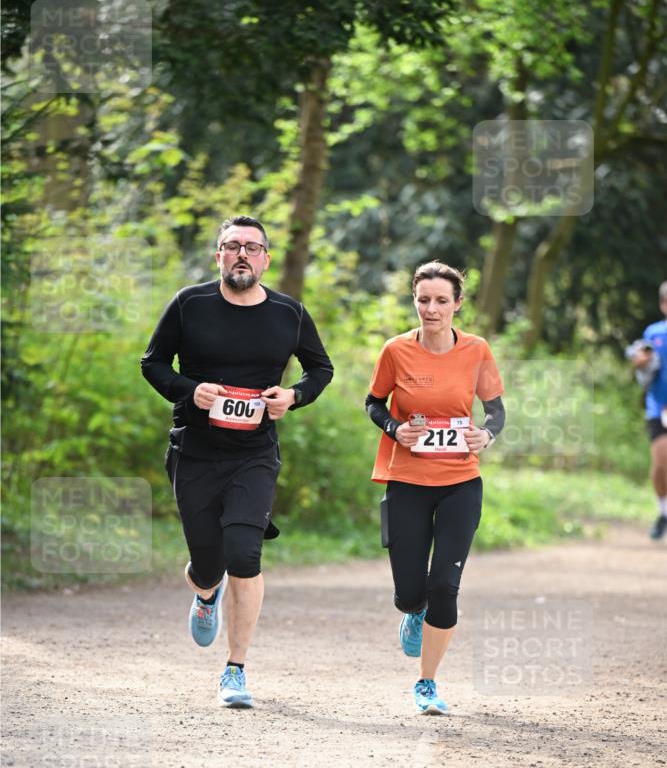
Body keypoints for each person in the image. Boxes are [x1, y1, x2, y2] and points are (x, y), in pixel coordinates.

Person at [141, 215, 333, 708]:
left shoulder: (289, 313)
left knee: (244, 555)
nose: (242, 254)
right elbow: (153, 362)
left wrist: (293, 396)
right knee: (209, 564)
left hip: (254, 452)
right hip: (196, 450)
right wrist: (189, 389)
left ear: (266, 258)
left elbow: (321, 368)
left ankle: (235, 670)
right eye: (232, 246)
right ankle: (206, 593)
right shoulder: (189, 303)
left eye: (252, 246)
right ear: (219, 255)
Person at [365, 260, 505, 716]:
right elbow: (373, 402)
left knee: (444, 583)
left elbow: (496, 411)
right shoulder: (396, 350)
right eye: (423, 299)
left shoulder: (477, 350)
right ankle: (413, 609)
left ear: (457, 305)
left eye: (441, 300)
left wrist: (486, 434)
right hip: (407, 481)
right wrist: (393, 427)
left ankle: (427, 682)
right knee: (411, 592)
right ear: (414, 301)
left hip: (461, 482)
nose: (431, 308)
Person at [626, 281, 667, 541]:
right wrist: (640, 362)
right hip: (658, 406)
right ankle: (664, 511)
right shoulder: (654, 333)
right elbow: (641, 361)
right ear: (663, 305)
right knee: (661, 463)